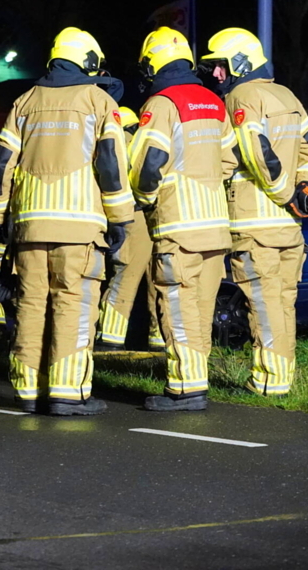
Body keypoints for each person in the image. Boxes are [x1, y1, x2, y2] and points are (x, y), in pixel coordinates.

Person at [0, 27, 133, 416]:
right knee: (74, 305)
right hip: (80, 229)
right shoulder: (98, 101)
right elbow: (111, 165)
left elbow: (1, 164)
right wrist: (120, 219)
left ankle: (27, 391)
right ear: (88, 62)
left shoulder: (24, 102)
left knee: (31, 306)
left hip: (29, 228)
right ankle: (68, 394)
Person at [200, 27, 308, 397]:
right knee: (283, 303)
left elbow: (257, 153)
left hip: (255, 223)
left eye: (221, 65)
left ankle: (269, 381)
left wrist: (286, 194)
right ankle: (281, 378)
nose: (217, 74)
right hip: (289, 227)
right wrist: (306, 188)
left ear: (240, 62)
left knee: (264, 305)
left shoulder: (240, 96)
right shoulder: (286, 94)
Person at [129, 27, 238, 411]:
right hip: (216, 228)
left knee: (177, 306)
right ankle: (197, 380)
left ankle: (185, 389)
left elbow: (149, 166)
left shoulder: (162, 104)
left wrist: (145, 200)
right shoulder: (214, 102)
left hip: (178, 226)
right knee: (201, 308)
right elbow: (229, 161)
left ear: (152, 63)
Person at [95, 106, 165, 352]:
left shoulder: (115, 142)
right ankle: (159, 337)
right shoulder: (138, 141)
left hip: (133, 216)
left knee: (126, 275)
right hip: (152, 214)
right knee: (159, 277)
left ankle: (110, 335)